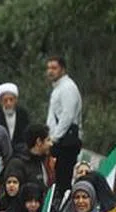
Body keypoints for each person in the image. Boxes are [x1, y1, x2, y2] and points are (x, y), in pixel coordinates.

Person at [44, 55, 82, 200]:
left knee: (63, 180)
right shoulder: (58, 88)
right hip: (58, 140)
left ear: (63, 69)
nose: (50, 71)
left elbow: (67, 116)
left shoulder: (68, 87)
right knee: (57, 179)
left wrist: (54, 138)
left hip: (65, 142)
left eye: (54, 68)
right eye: (48, 68)